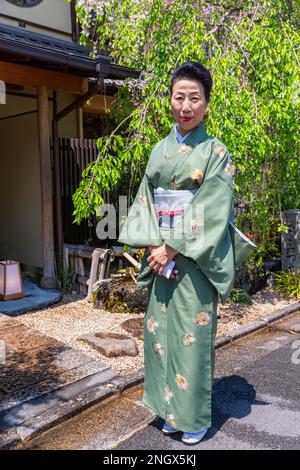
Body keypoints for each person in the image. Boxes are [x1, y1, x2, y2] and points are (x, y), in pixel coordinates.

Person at [118, 62, 256, 445]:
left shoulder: (216, 151)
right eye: (179, 96)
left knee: (190, 337)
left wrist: (171, 248)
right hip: (160, 255)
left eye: (195, 97)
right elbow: (146, 199)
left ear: (207, 104)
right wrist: (152, 245)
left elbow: (213, 206)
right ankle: (169, 410)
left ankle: (193, 417)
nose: (186, 105)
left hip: (193, 259)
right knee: (159, 334)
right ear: (170, 100)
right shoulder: (160, 150)